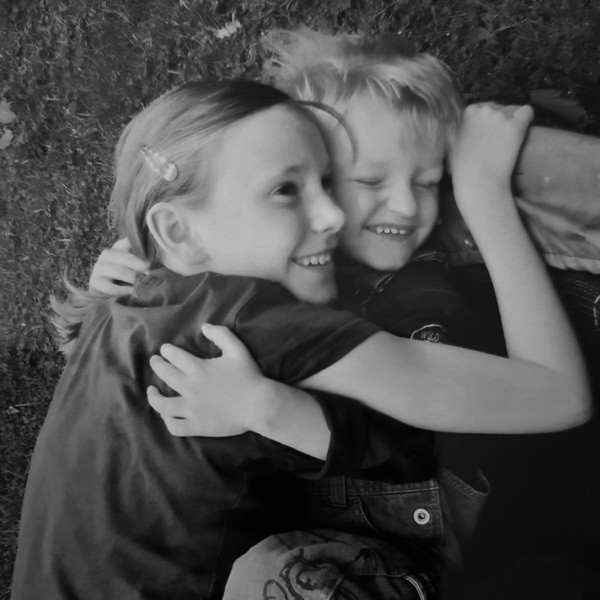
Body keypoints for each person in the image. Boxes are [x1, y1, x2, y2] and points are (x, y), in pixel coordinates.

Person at [82, 32, 590, 600]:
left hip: (447, 545)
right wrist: (119, 287)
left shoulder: (419, 298)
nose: (408, 206)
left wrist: (482, 194)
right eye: (367, 180)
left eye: (429, 182)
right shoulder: (262, 282)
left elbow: (543, 400)